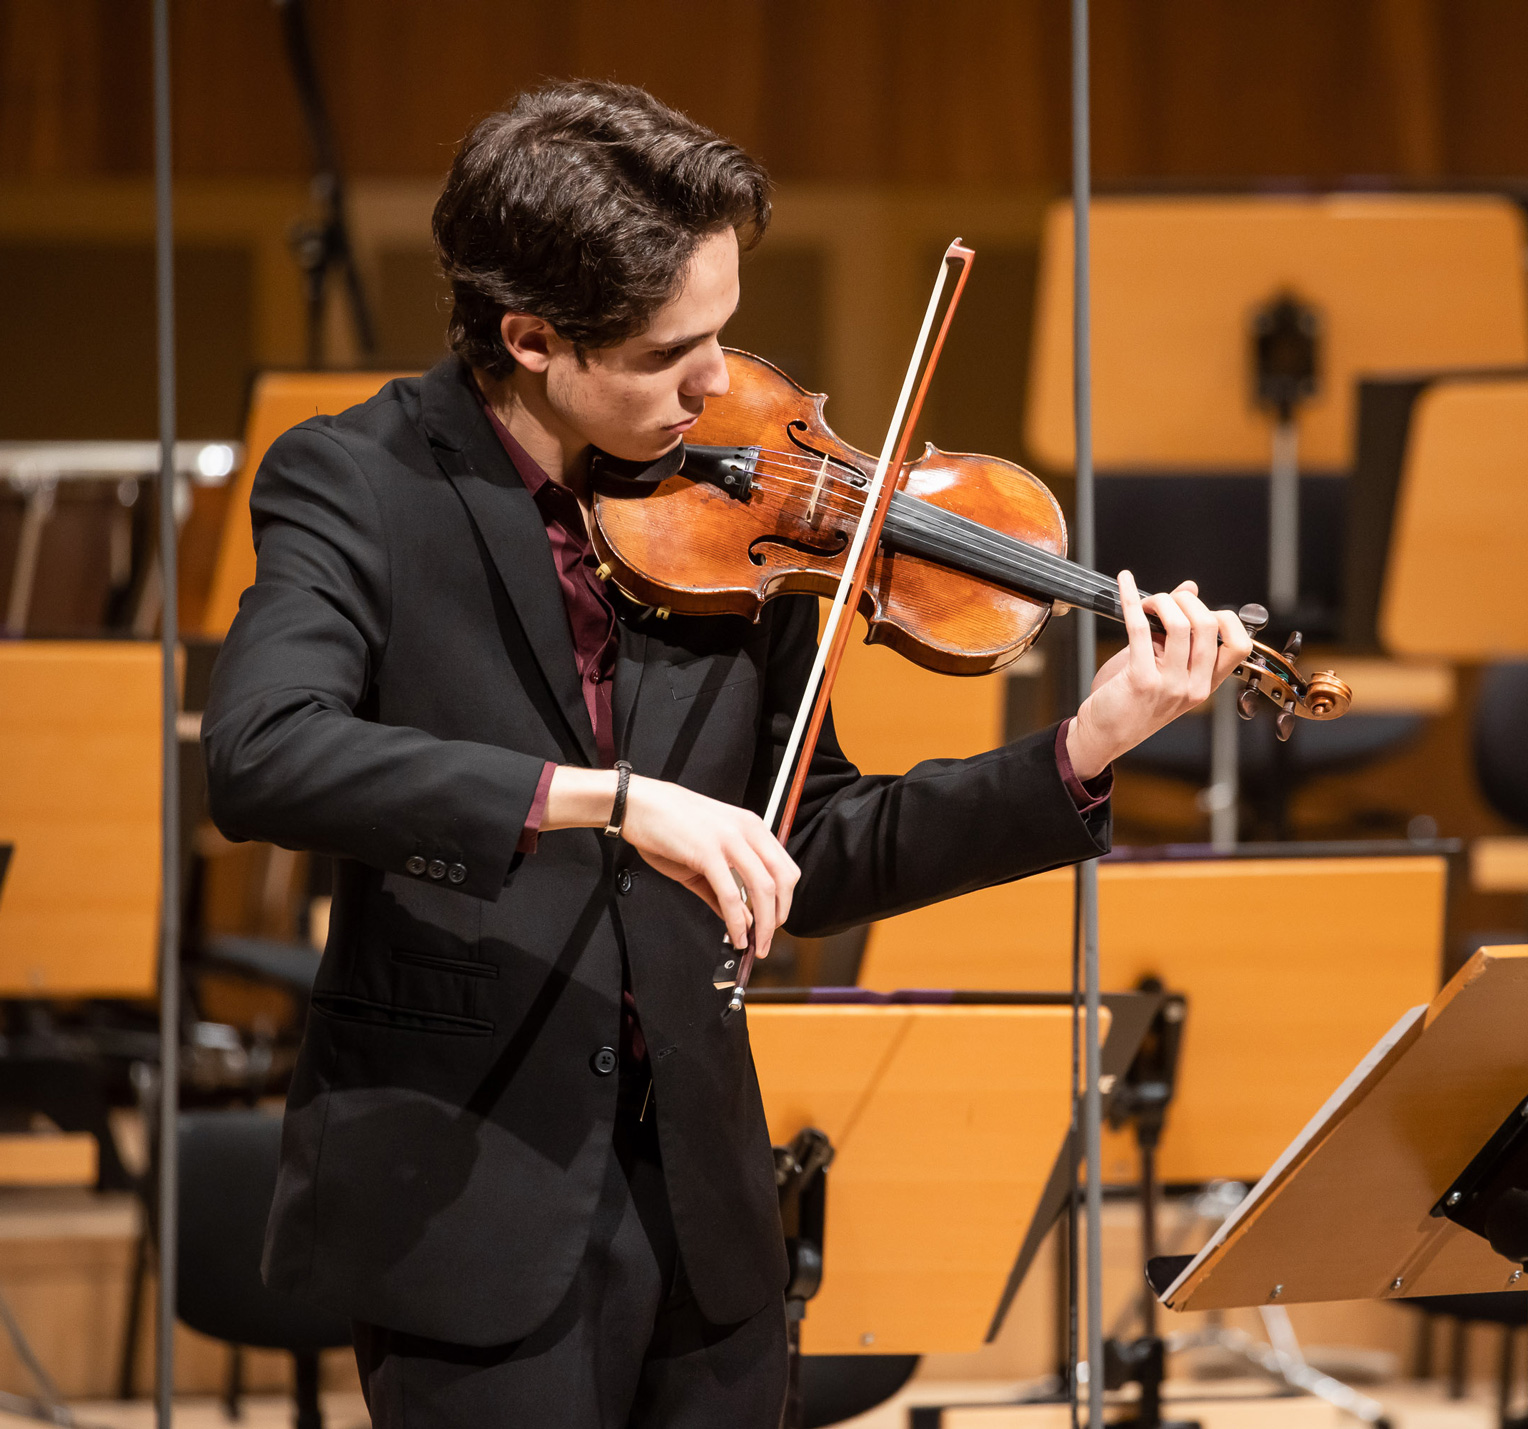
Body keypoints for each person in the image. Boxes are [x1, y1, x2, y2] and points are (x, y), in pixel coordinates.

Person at [203, 79, 1250, 1429]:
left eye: (723, 331)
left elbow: (803, 841)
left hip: (709, 1211)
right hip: (466, 1201)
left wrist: (1087, 744)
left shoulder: (728, 501)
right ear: (530, 337)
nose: (714, 387)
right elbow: (263, 754)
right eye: (665, 355)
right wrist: (607, 801)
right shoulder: (357, 484)